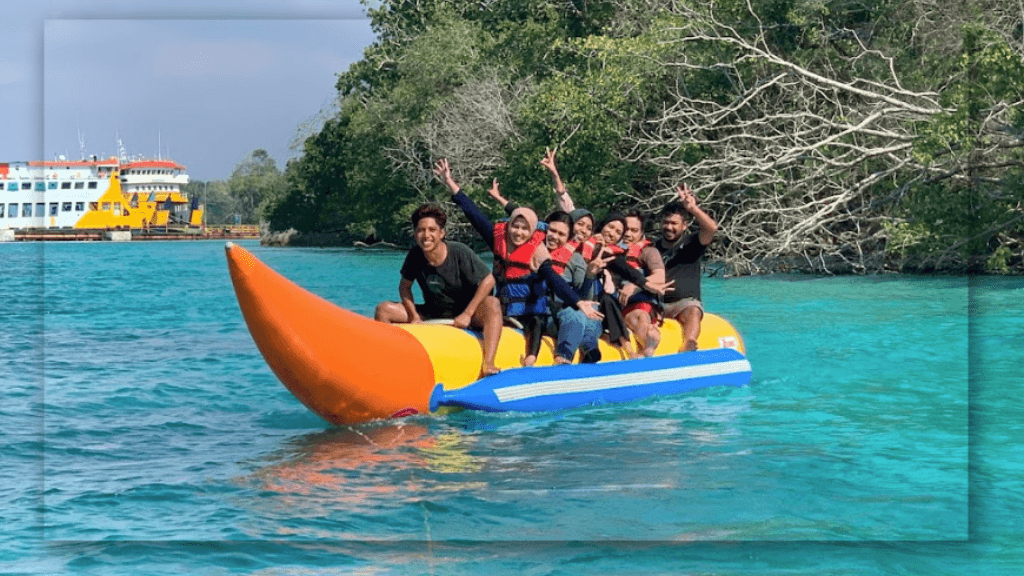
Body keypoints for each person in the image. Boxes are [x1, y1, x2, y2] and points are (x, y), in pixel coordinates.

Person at [434, 158, 603, 367]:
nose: (519, 232)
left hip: (532, 313)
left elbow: (553, 279)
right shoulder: (499, 240)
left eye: (525, 229)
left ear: (532, 230)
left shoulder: (538, 252)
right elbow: (474, 215)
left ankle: (536, 358)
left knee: (545, 319)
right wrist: (450, 183)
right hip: (504, 310)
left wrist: (578, 303)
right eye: (516, 226)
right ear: (510, 225)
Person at [374, 203, 503, 376]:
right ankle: (387, 362)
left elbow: (489, 280)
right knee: (383, 310)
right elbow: (404, 287)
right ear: (415, 234)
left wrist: (467, 313)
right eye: (421, 230)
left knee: (493, 303)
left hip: (468, 314)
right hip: (433, 312)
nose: (426, 235)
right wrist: (413, 316)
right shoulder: (415, 255)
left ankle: (488, 364)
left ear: (442, 233)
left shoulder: (459, 252)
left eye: (432, 230)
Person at [656, 183, 718, 352]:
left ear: (685, 225)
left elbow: (712, 228)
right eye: (666, 222)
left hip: (684, 304)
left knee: (693, 310)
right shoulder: (652, 248)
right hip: (657, 304)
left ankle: (689, 343)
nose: (669, 227)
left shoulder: (692, 243)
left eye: (674, 223)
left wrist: (693, 208)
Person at [542, 210, 604, 364]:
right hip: (545, 311)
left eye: (588, 227)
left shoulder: (577, 258)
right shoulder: (537, 251)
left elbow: (586, 297)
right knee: (575, 316)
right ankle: (564, 357)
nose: (555, 236)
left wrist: (590, 274)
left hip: (568, 308)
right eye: (580, 224)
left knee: (593, 311)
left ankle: (590, 349)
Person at [615, 210, 667, 357]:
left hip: (639, 304)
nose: (627, 234)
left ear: (642, 233)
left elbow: (659, 277)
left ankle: (648, 344)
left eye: (634, 230)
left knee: (638, 316)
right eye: (625, 229)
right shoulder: (608, 249)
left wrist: (635, 285)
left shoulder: (648, 252)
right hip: (613, 305)